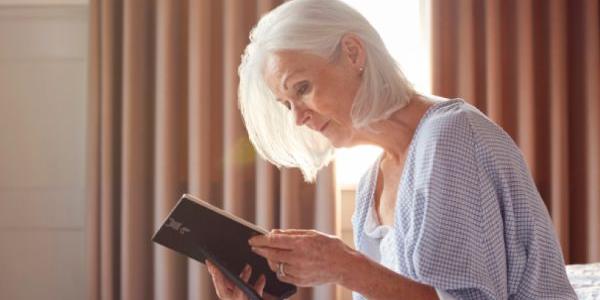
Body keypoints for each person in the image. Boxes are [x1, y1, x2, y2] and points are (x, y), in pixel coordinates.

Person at [205, 0, 577, 299]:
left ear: (353, 53)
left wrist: (346, 266)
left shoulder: (451, 137)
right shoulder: (372, 185)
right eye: (287, 105)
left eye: (301, 88)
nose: (298, 118)